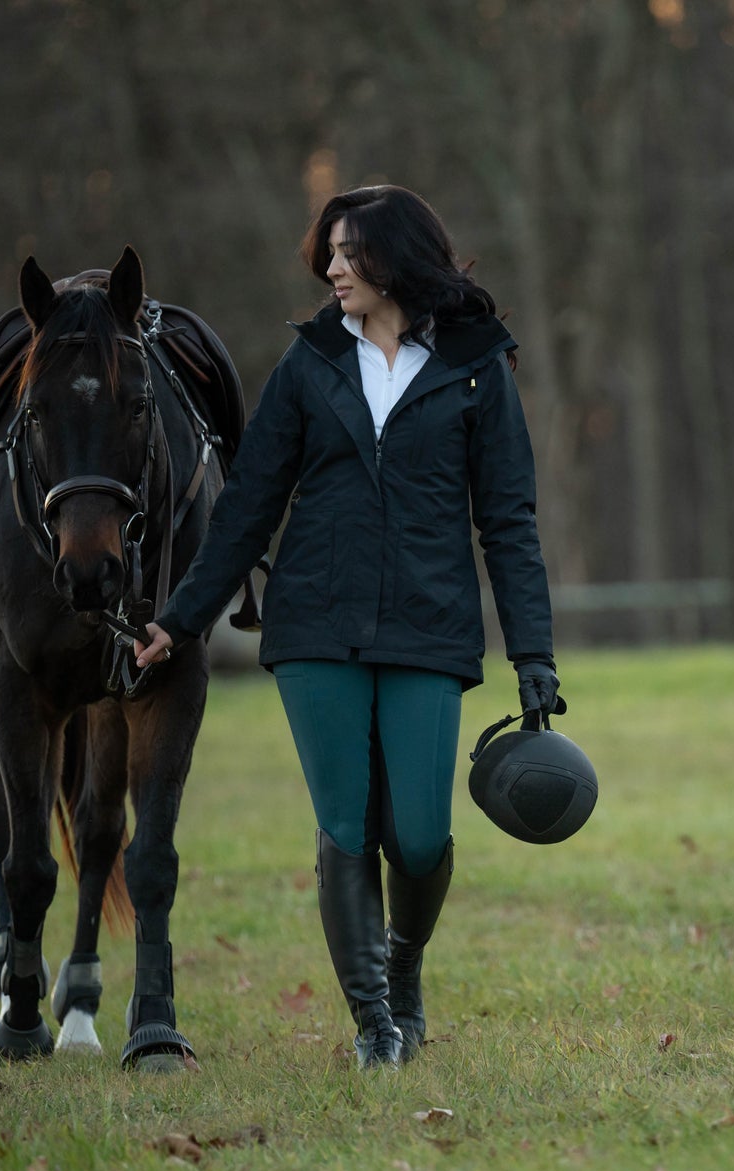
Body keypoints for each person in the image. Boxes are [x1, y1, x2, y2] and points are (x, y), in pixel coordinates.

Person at [135, 185, 559, 1070]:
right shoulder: (309, 363)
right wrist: (180, 618)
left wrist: (533, 655)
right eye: (327, 252)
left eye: (348, 252)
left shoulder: (476, 365)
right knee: (345, 826)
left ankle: (403, 966)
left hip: (429, 627)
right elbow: (247, 508)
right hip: (315, 626)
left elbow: (508, 521)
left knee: (419, 836)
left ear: (395, 259)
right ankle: (375, 1025)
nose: (331, 268)